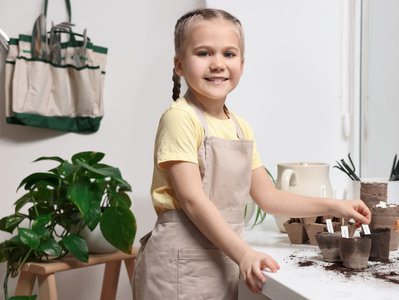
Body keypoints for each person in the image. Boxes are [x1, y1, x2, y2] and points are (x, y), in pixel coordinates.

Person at [132, 8, 371, 300]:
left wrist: (336, 206)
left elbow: (269, 197)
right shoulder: (180, 118)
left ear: (242, 65)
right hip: (176, 270)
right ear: (179, 65)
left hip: (219, 262)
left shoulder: (240, 127)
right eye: (204, 53)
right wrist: (244, 253)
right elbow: (193, 201)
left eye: (229, 54)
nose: (218, 64)